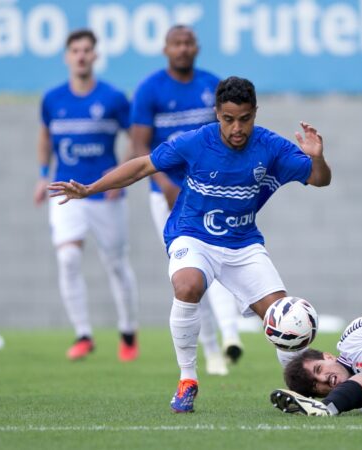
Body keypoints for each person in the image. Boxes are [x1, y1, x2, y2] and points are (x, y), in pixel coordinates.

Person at [49, 76, 332, 413]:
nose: (237, 127)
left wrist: (317, 158)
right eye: (228, 119)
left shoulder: (271, 146)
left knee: (286, 319)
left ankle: (304, 394)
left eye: (244, 118)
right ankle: (187, 380)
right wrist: (90, 189)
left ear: (255, 113)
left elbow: (319, 179)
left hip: (243, 245)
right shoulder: (197, 141)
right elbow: (142, 165)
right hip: (192, 236)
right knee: (187, 285)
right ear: (217, 114)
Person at [130, 24, 241, 376]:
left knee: (219, 260)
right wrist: (162, 182)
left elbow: (231, 136)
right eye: (176, 43)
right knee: (190, 273)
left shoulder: (213, 85)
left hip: (208, 192)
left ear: (197, 47)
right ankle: (211, 350)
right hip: (165, 196)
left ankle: (231, 334)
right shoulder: (150, 89)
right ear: (165, 49)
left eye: (188, 42)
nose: (182, 48)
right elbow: (138, 146)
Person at [32, 29, 139, 362]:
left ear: (95, 55)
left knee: (116, 263)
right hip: (65, 190)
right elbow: (46, 137)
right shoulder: (52, 99)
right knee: (67, 258)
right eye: (75, 50)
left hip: (103, 195)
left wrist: (119, 177)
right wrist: (41, 176)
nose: (80, 55)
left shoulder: (113, 98)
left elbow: (137, 138)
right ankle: (83, 333)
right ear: (67, 56)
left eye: (86, 50)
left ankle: (128, 333)